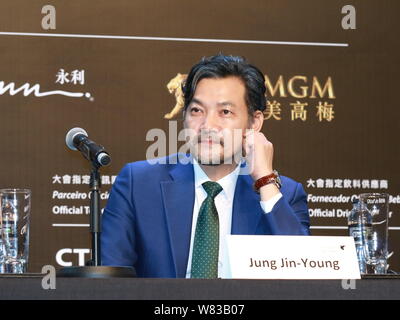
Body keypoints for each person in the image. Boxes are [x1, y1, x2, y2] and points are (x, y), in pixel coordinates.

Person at [101, 54, 310, 278]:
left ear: (254, 122)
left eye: (225, 112)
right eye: (197, 111)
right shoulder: (138, 184)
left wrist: (265, 180)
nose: (208, 125)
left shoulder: (284, 195)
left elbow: (303, 278)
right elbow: (111, 283)